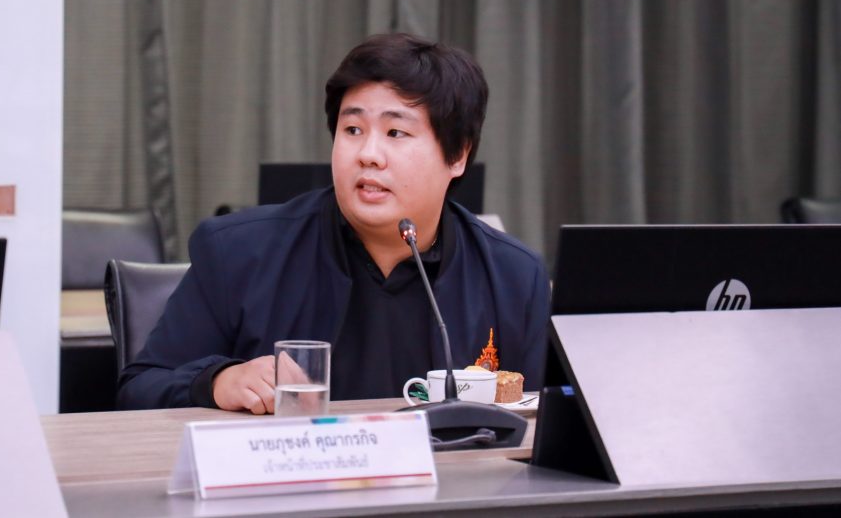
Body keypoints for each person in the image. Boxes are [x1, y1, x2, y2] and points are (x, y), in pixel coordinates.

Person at [117, 33, 550, 413]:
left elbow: (540, 420)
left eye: (395, 133)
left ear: (457, 155)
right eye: (353, 130)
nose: (368, 155)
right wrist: (217, 382)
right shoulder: (238, 252)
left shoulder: (513, 277)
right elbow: (139, 389)